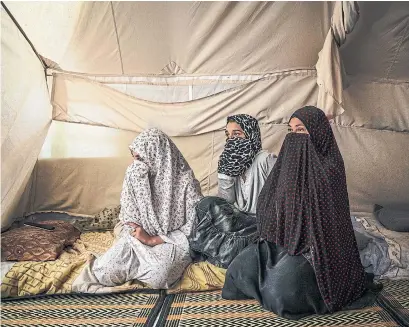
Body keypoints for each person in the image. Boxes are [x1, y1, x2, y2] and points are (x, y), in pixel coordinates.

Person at [222, 106, 381, 320]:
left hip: (315, 250)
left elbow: (328, 228)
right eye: (291, 131)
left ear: (317, 133)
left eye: (301, 130)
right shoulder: (287, 165)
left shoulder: (330, 170)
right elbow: (270, 208)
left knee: (283, 292)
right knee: (238, 269)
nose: (294, 137)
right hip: (280, 241)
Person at [90, 128, 203, 289]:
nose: (136, 164)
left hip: (172, 241)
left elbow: (194, 226)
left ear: (157, 156)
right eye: (134, 158)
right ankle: (136, 270)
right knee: (104, 271)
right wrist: (140, 233)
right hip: (138, 238)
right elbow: (128, 215)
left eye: (140, 158)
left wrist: (153, 240)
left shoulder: (185, 182)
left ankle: (138, 271)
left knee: (160, 276)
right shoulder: (135, 176)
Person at [189, 114, 277, 268]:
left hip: (262, 225)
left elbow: (281, 199)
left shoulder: (266, 159)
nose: (231, 140)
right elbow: (226, 202)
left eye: (236, 134)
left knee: (237, 247)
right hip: (238, 222)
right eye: (228, 135)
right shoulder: (232, 161)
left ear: (250, 134)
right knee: (207, 204)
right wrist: (225, 173)